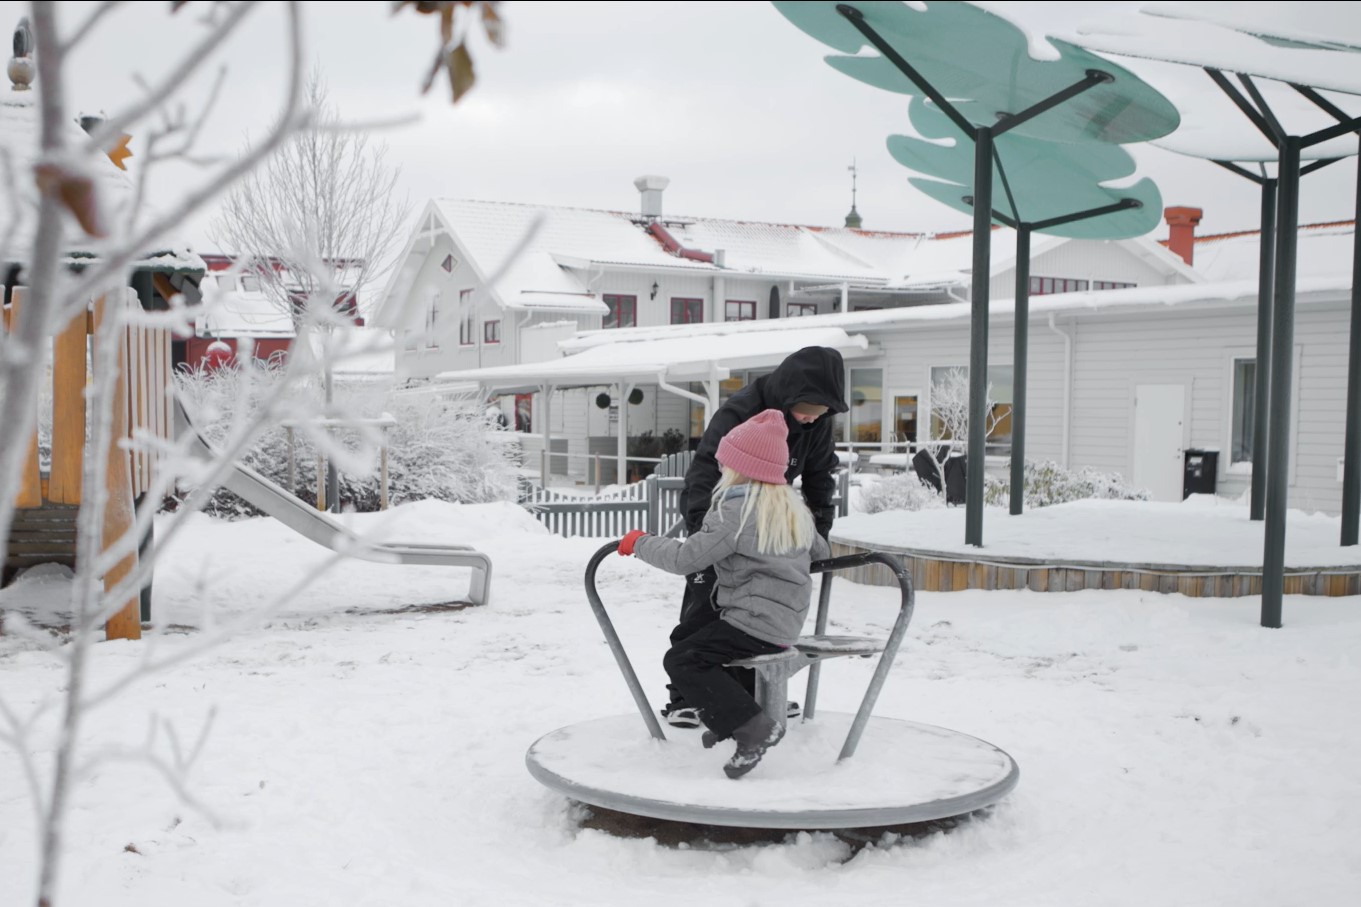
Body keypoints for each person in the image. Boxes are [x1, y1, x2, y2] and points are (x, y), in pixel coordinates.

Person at [618, 409, 831, 779]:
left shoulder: (735, 511)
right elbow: (821, 553)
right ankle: (728, 724)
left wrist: (640, 543)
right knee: (710, 649)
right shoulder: (794, 511)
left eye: (724, 463)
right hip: (785, 623)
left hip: (751, 621)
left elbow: (686, 558)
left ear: (739, 468)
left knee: (684, 659)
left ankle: (753, 729)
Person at [662, 346, 848, 728]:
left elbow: (820, 480)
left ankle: (752, 697)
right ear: (791, 395)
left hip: (772, 521)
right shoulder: (741, 412)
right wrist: (707, 540)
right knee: (704, 612)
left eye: (820, 415)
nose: (811, 422)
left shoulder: (817, 422)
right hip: (723, 517)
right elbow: (704, 472)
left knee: (755, 619)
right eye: (807, 412)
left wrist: (812, 538)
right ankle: (688, 698)